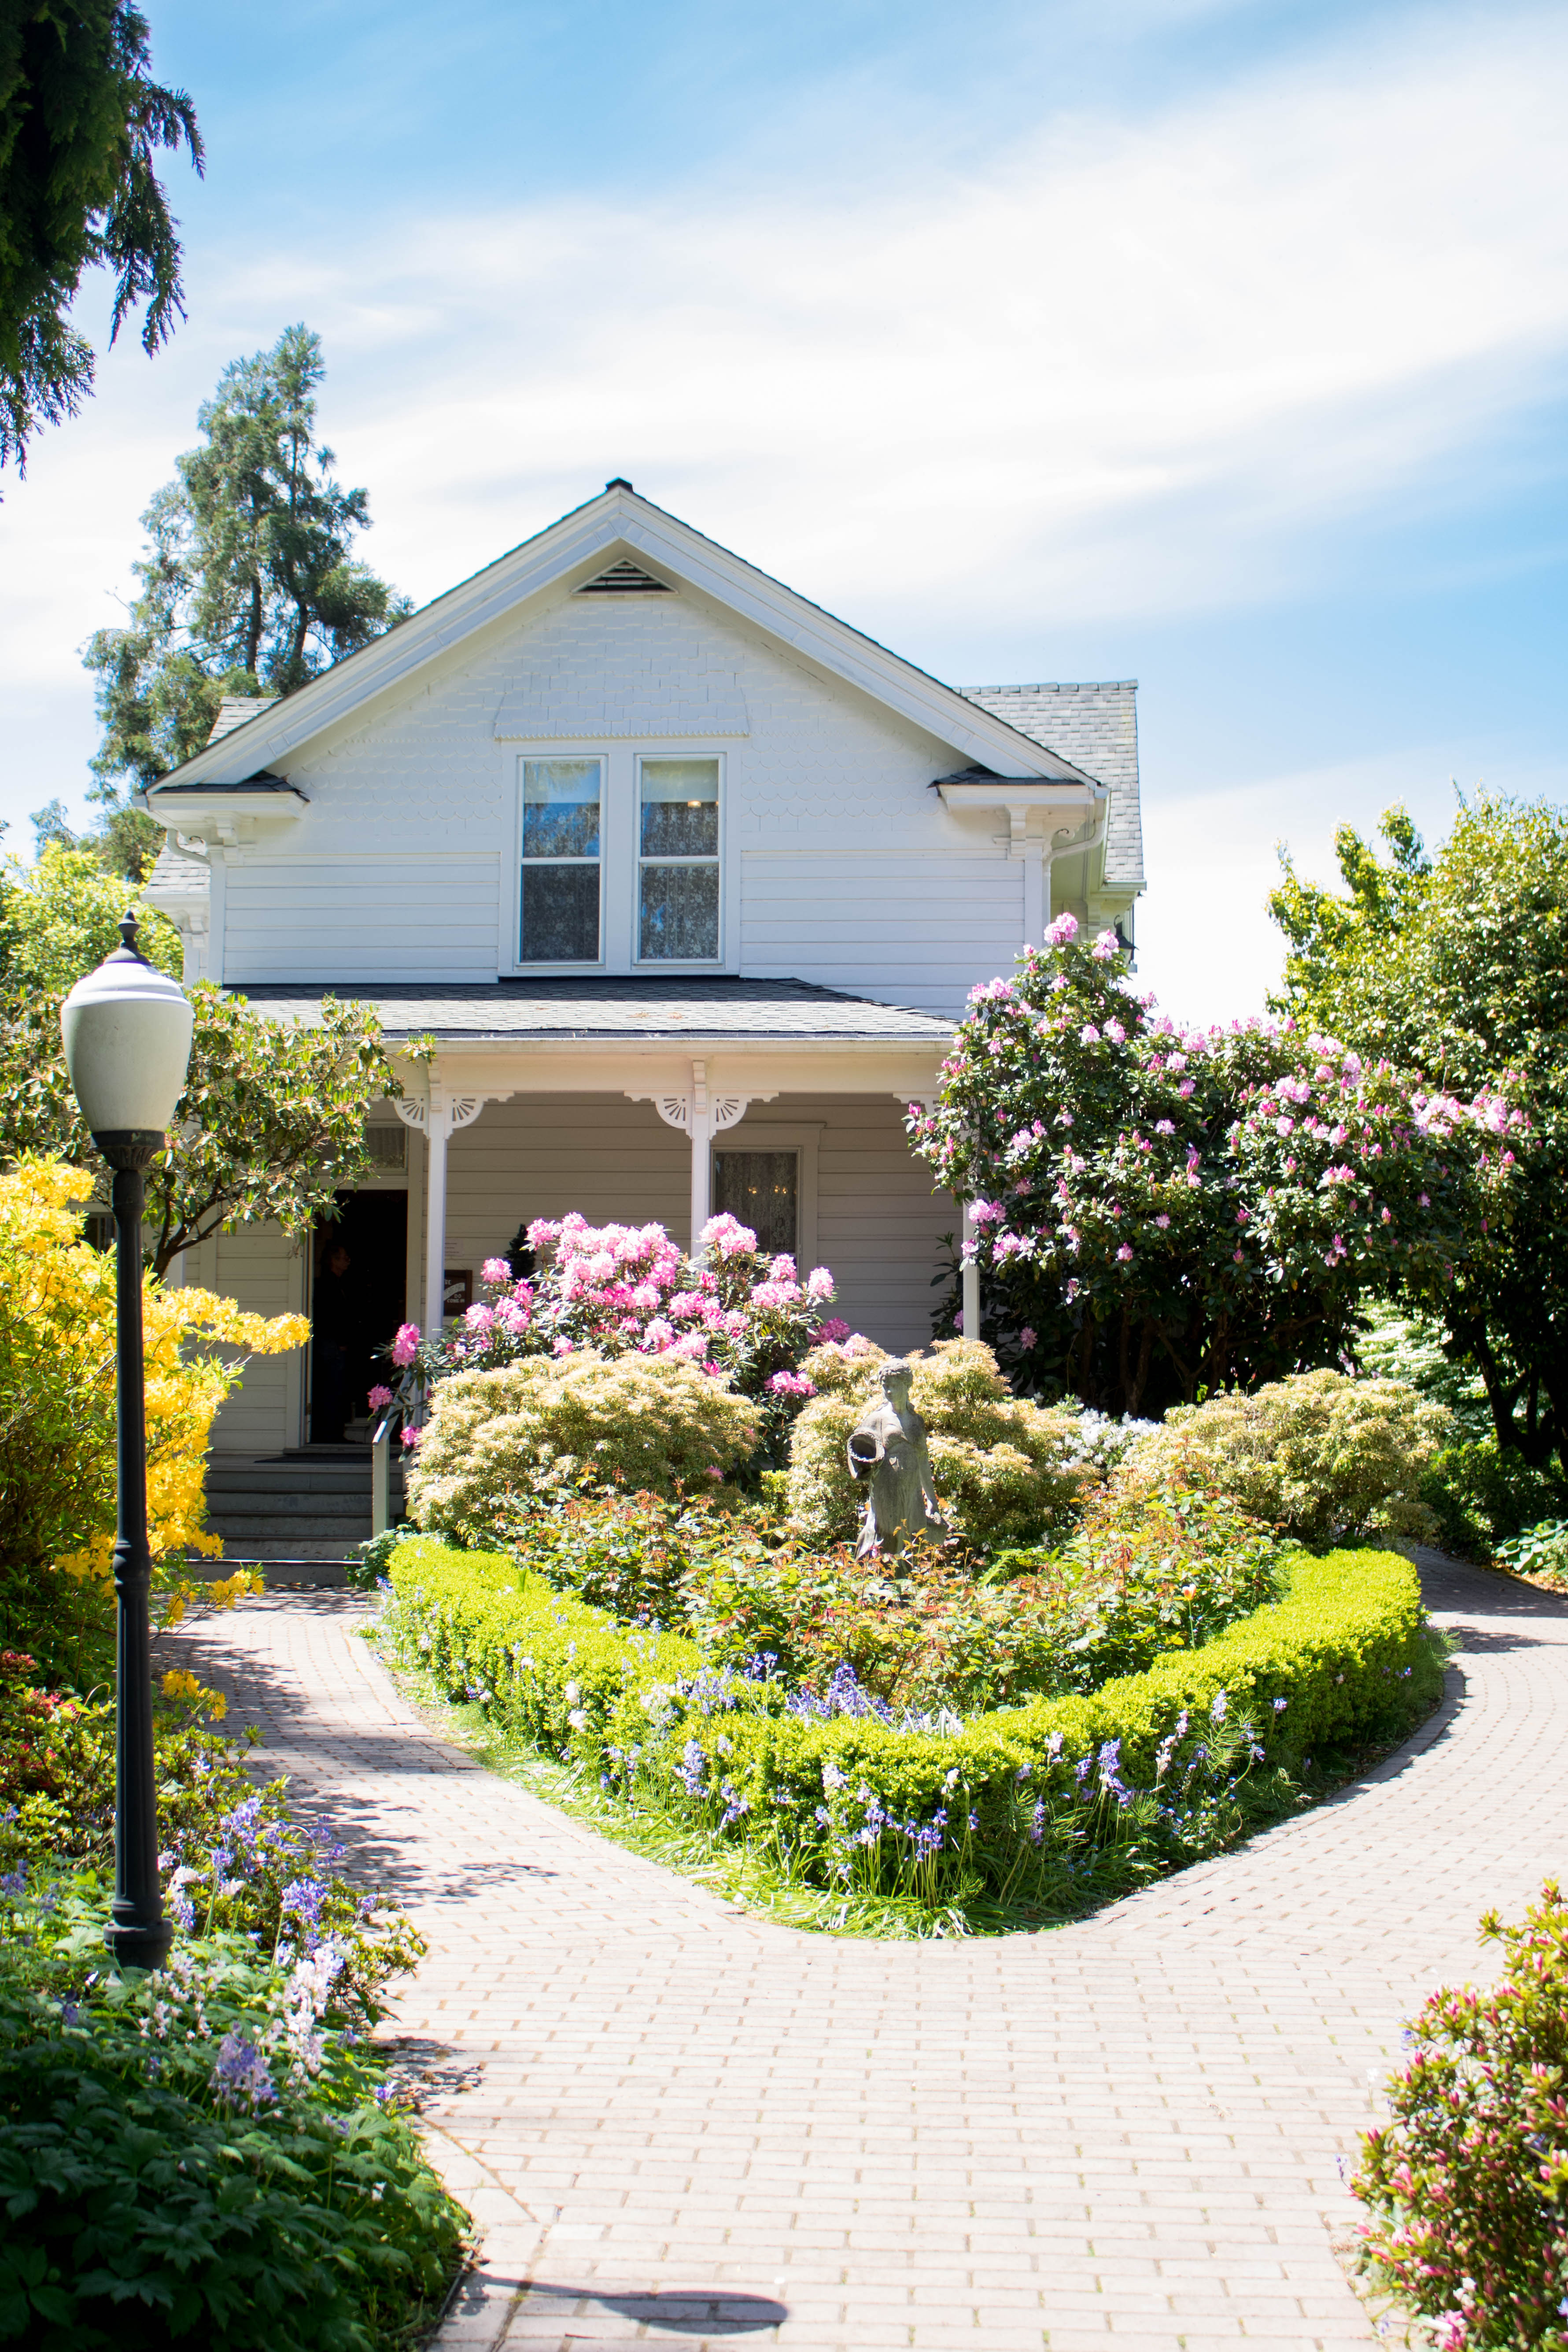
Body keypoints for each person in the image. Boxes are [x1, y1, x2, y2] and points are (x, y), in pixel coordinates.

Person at [311, 1240, 358, 1443]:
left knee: (337, 1389)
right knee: (332, 1389)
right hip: (330, 1346)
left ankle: (335, 1433)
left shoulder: (337, 1283)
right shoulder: (327, 1285)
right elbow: (329, 1317)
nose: (348, 1262)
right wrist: (339, 1341)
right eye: (345, 1258)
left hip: (334, 1344)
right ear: (333, 1260)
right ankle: (329, 1435)